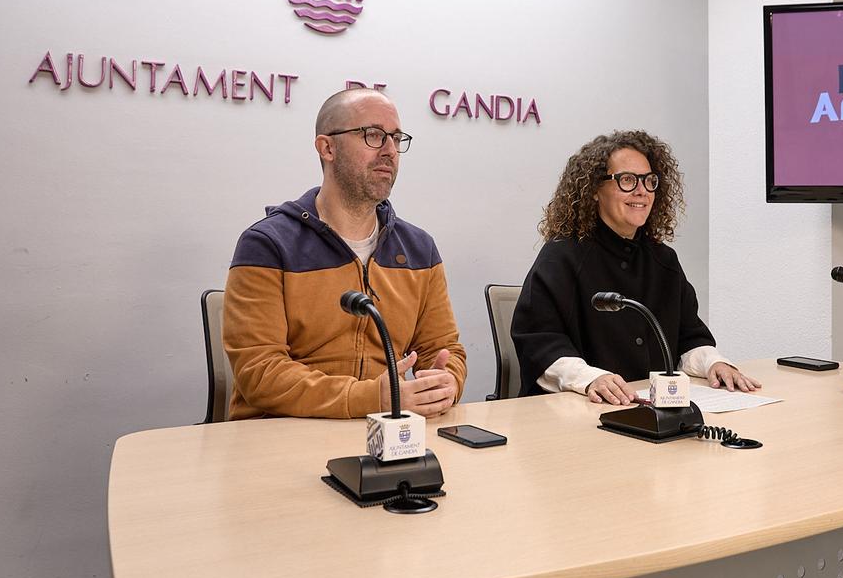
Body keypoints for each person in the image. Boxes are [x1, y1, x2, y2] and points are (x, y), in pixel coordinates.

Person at [223, 88, 465, 419]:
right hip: (281, 431)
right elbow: (260, 372)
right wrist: (370, 398)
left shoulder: (419, 249)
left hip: (382, 428)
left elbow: (443, 348)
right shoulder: (268, 244)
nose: (390, 151)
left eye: (396, 138)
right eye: (373, 135)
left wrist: (446, 381)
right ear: (328, 148)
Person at [511, 130, 759, 405]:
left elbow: (689, 338)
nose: (642, 191)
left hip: (647, 409)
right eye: (627, 180)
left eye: (649, 181)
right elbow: (539, 344)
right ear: (594, 190)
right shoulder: (561, 256)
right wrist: (590, 378)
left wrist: (715, 363)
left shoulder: (664, 261)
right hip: (577, 411)